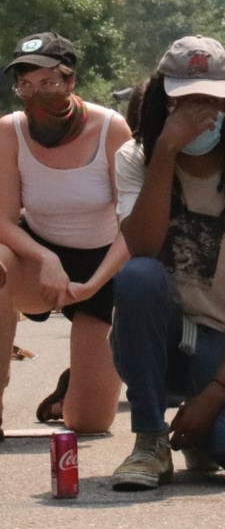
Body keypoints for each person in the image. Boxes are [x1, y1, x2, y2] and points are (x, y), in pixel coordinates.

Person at [109, 35, 225, 491]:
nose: (200, 115)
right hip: (157, 341)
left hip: (223, 344)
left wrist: (213, 397)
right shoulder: (134, 159)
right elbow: (143, 248)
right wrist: (165, 150)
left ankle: (203, 435)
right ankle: (149, 439)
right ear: (162, 101)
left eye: (212, 101)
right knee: (138, 276)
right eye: (185, 102)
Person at [0, 31, 130, 439]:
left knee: (89, 424)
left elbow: (133, 225)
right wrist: (45, 258)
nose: (35, 95)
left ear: (70, 81)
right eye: (26, 84)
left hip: (103, 266)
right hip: (36, 261)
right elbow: (2, 220)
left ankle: (73, 387)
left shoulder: (111, 128)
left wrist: (93, 285)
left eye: (48, 83)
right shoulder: (9, 131)